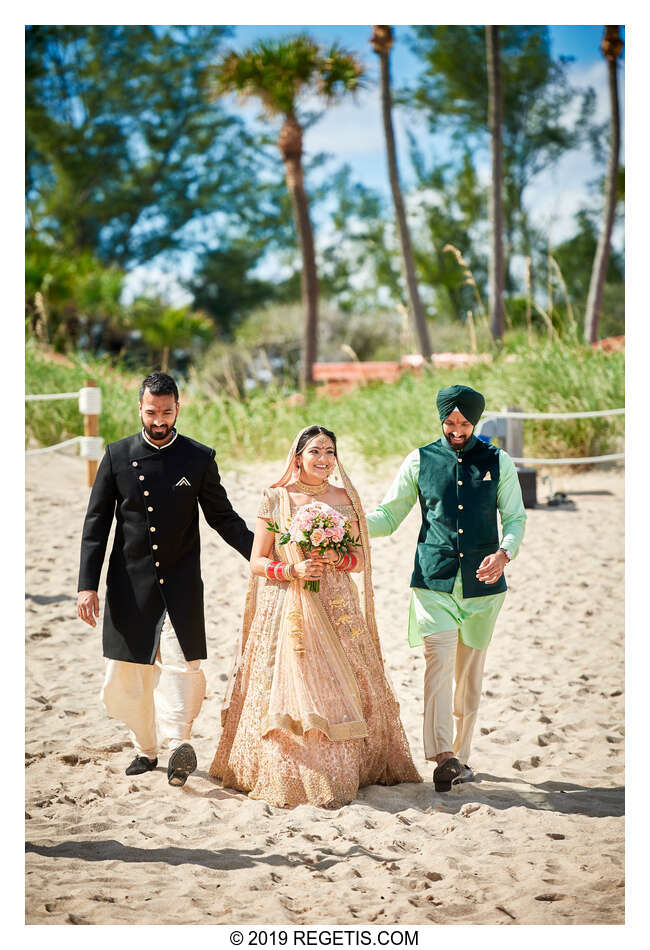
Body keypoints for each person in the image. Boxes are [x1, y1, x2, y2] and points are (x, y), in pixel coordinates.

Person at [210, 425, 422, 808]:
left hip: (337, 605)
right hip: (286, 607)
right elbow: (258, 562)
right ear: (298, 458)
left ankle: (347, 767)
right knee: (291, 685)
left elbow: (359, 561)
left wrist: (336, 559)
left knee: (343, 683)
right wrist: (293, 571)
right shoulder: (276, 498)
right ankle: (290, 771)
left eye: (330, 453)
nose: (323, 460)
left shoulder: (346, 498)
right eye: (315, 452)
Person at [77, 372, 253, 786]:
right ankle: (146, 748)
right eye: (152, 411)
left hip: (181, 581)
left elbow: (223, 518)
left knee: (182, 664)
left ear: (179, 408)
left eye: (167, 411)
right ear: (139, 408)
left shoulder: (198, 458)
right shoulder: (117, 455)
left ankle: (178, 744)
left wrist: (261, 554)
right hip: (128, 582)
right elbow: (96, 523)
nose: (160, 419)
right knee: (126, 675)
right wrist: (87, 585)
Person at [365, 385, 526, 792]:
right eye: (450, 422)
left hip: (483, 588)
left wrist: (504, 553)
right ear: (440, 420)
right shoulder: (419, 460)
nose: (456, 429)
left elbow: (515, 517)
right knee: (438, 664)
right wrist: (341, 521)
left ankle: (462, 756)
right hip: (432, 580)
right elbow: (387, 517)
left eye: (464, 423)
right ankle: (442, 754)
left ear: (476, 421)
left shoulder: (498, 461)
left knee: (468, 675)